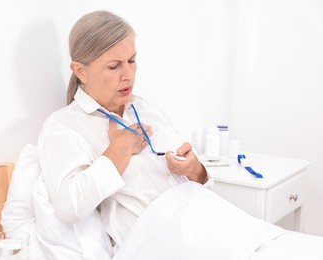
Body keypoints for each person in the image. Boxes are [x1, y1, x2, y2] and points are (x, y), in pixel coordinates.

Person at [37, 10, 323, 259]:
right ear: (80, 71)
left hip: (209, 223)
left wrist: (195, 169)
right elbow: (70, 207)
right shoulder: (63, 126)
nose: (129, 75)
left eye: (132, 61)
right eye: (114, 66)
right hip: (163, 239)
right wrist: (118, 152)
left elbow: (199, 185)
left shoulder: (145, 108)